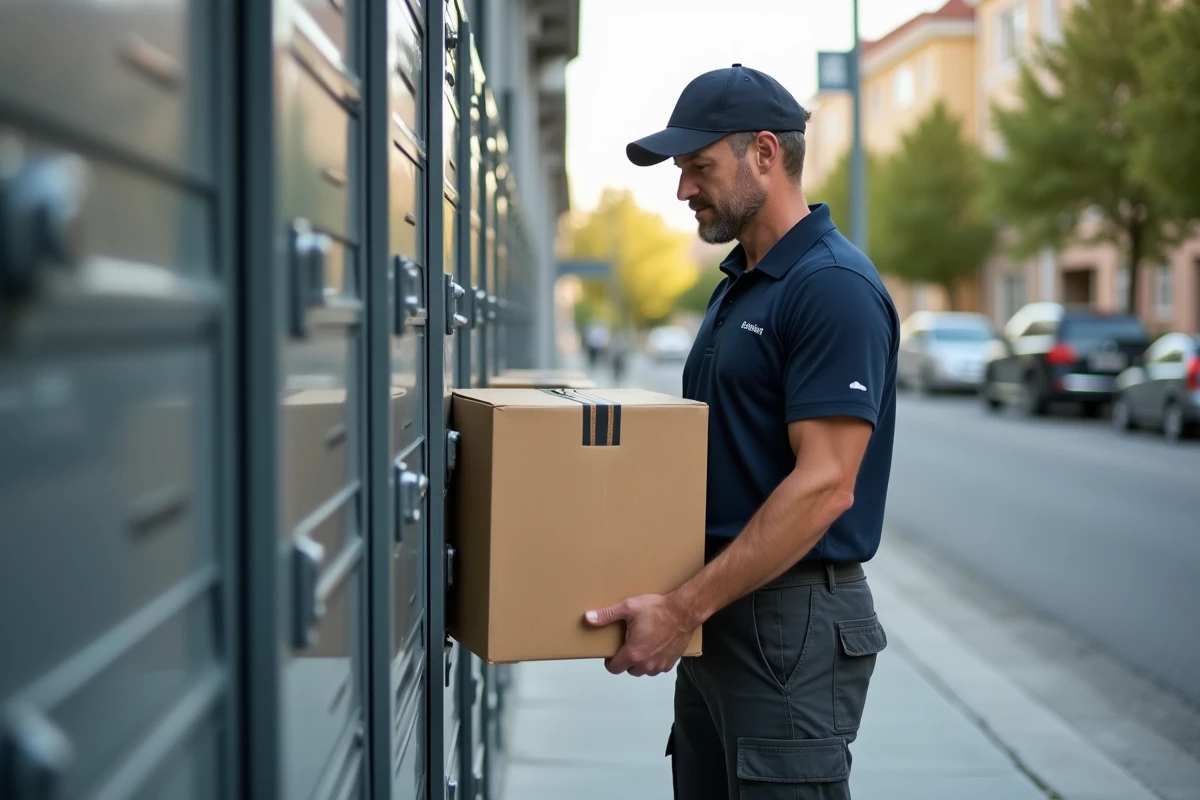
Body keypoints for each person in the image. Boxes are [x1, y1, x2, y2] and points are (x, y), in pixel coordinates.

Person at [584, 64, 899, 799]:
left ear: (764, 153)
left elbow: (824, 486)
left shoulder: (831, 287)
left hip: (788, 623)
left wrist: (682, 609)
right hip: (721, 607)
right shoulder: (744, 284)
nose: (683, 190)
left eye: (698, 168)